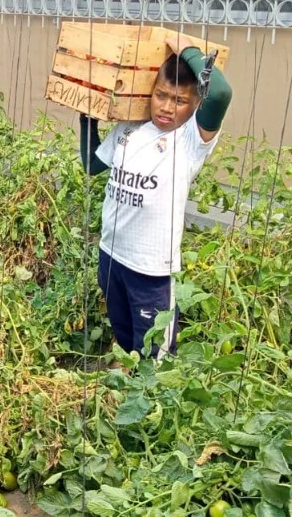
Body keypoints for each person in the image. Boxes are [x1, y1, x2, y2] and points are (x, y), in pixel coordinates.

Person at [77, 35, 232, 359]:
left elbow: (220, 93)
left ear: (195, 105)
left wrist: (185, 48)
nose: (166, 107)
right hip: (112, 257)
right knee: (126, 344)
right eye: (161, 95)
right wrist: (86, 116)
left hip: (151, 273)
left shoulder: (189, 141)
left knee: (155, 359)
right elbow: (92, 164)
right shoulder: (131, 128)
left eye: (179, 100)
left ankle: (150, 391)